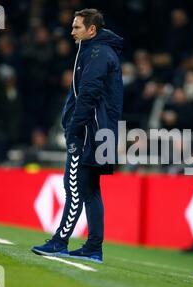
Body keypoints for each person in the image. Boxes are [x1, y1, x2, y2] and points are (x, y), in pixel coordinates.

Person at [31, 9, 124, 263]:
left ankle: (60, 241)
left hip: (89, 132)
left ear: (91, 30)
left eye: (77, 27)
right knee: (91, 189)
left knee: (74, 187)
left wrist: (73, 128)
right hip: (101, 131)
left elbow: (89, 94)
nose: (72, 31)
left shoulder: (96, 53)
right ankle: (94, 247)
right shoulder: (101, 51)